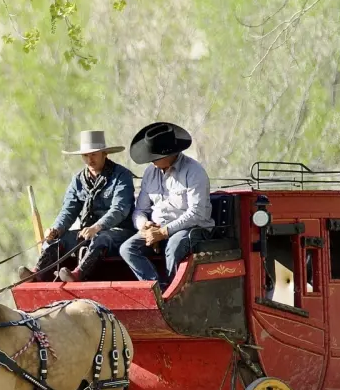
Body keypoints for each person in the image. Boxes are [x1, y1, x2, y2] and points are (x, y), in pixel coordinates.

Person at [18, 130, 136, 283]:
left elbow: (120, 209)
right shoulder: (78, 180)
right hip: (87, 233)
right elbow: (68, 210)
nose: (89, 159)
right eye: (85, 155)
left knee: (102, 237)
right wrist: (56, 229)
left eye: (93, 154)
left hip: (119, 233)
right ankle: (37, 274)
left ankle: (78, 274)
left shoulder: (121, 175)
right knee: (57, 241)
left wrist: (97, 227)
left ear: (104, 153)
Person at [119, 121, 215, 287]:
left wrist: (164, 232)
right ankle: (158, 289)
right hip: (158, 228)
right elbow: (140, 209)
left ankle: (174, 291)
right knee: (127, 248)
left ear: (169, 154)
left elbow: (197, 213)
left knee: (174, 244)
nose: (150, 162)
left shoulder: (194, 172)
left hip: (192, 228)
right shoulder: (150, 172)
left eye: (154, 158)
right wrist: (146, 225)